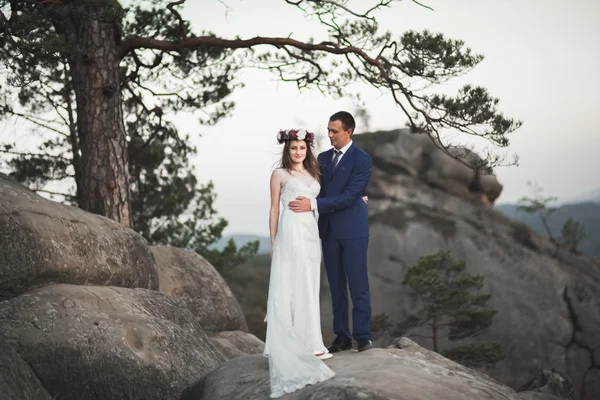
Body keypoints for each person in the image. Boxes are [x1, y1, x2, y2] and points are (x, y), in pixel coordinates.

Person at [289, 111, 373, 354]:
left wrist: (313, 205)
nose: (330, 135)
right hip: (327, 230)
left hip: (354, 229)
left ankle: (363, 337)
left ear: (349, 132)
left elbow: (350, 195)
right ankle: (342, 337)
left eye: (334, 131)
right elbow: (311, 185)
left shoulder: (362, 159)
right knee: (336, 287)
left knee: (358, 285)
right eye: (328, 130)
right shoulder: (322, 158)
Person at [263, 128, 335, 399]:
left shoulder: (314, 174)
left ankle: (311, 341)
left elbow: (327, 197)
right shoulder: (279, 175)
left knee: (309, 282)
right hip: (290, 232)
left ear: (308, 150)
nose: (298, 152)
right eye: (294, 148)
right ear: (287, 149)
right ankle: (291, 342)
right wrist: (273, 241)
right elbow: (273, 208)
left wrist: (360, 196)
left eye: (302, 148)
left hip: (310, 234)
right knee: (290, 284)